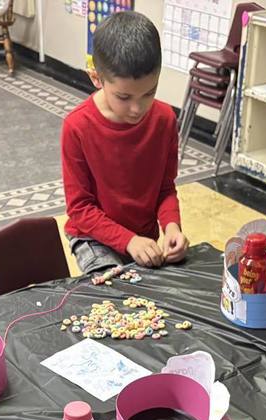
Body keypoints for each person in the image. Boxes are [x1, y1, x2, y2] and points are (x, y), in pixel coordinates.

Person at [61, 11, 189, 274]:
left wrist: (172, 225)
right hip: (93, 237)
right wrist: (128, 240)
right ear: (96, 78)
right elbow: (80, 209)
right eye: (123, 96)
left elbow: (165, 188)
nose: (137, 108)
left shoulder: (164, 119)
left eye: (149, 93)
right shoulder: (77, 127)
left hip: (144, 237)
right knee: (112, 292)